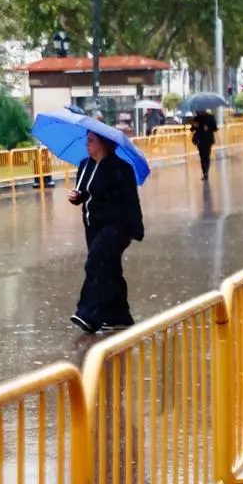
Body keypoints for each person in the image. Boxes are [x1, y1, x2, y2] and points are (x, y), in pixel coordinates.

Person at [68, 131, 145, 334]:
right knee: (109, 270)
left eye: (91, 141)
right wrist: (75, 197)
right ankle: (119, 316)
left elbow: (131, 201)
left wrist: (135, 229)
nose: (87, 145)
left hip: (117, 227)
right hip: (92, 226)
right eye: (87, 140)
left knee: (95, 263)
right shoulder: (85, 165)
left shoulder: (121, 169)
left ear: (103, 144)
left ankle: (88, 314)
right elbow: (84, 193)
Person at [191, 110, 218, 180]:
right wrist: (195, 126)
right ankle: (205, 172)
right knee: (205, 156)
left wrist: (207, 127)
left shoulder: (199, 118)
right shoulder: (208, 117)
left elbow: (192, 129)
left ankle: (205, 172)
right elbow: (215, 128)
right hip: (205, 140)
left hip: (203, 140)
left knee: (203, 156)